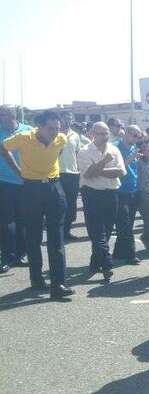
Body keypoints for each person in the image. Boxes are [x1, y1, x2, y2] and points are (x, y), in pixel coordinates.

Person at [0, 110, 73, 299]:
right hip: (31, 188)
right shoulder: (24, 137)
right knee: (33, 236)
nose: (55, 132)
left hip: (54, 187)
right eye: (50, 128)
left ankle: (58, 284)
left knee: (56, 237)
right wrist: (17, 170)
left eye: (57, 128)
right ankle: (36, 279)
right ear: (39, 126)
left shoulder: (61, 139)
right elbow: (3, 147)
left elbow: (58, 151)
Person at [77, 122, 125, 283]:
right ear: (93, 134)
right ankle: (106, 264)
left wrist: (98, 170)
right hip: (92, 194)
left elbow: (120, 171)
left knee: (107, 230)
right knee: (97, 232)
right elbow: (88, 174)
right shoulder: (85, 151)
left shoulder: (114, 149)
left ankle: (95, 262)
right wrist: (103, 162)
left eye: (106, 133)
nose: (104, 137)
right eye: (100, 134)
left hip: (111, 193)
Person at [0, 106, 31, 274]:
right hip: (4, 182)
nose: (0, 118)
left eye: (2, 115)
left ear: (13, 115)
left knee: (24, 220)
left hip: (26, 182)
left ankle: (21, 254)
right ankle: (7, 257)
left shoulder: (29, 130)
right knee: (6, 221)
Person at [113, 125, 143, 265]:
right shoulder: (116, 147)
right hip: (120, 190)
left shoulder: (133, 148)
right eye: (134, 135)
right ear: (126, 132)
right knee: (124, 223)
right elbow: (118, 168)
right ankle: (131, 254)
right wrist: (131, 158)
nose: (136, 138)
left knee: (127, 224)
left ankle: (118, 253)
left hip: (133, 189)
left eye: (138, 136)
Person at [58, 112, 83, 242]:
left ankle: (67, 231)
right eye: (65, 118)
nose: (67, 121)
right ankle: (58, 232)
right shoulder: (54, 133)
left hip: (73, 174)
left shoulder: (75, 135)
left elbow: (78, 153)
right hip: (57, 173)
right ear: (60, 119)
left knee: (71, 204)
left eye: (70, 119)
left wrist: (80, 170)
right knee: (59, 204)